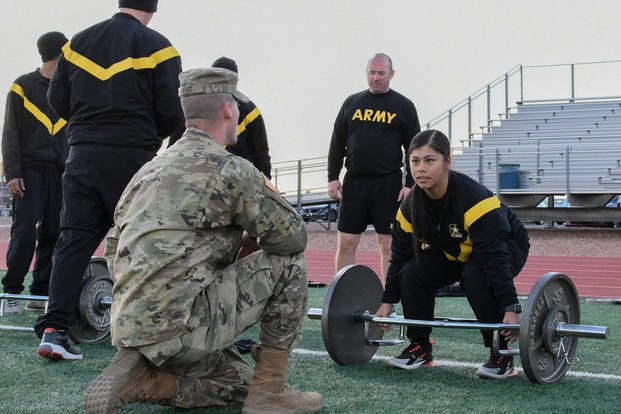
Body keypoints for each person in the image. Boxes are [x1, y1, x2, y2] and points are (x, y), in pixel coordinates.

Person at [82, 68, 323, 413]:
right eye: (236, 108)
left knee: (236, 383)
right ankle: (270, 392)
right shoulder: (231, 169)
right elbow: (292, 236)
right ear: (227, 110)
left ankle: (150, 381)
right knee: (290, 263)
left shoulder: (146, 172)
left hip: (130, 327)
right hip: (184, 329)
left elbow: (113, 249)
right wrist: (248, 243)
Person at [35, 0, 184, 360]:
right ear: (153, 8)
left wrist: (87, 127)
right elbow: (171, 111)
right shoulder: (160, 47)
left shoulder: (77, 44)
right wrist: (152, 138)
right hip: (133, 156)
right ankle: (145, 336)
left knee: (72, 243)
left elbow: (57, 98)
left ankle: (54, 330)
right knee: (144, 243)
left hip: (82, 154)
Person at [375, 129, 530, 379]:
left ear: (448, 162)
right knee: (411, 273)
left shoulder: (475, 200)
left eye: (429, 160)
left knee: (476, 277)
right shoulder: (410, 207)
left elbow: (495, 259)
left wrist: (510, 308)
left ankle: (501, 353)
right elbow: (400, 256)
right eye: (415, 161)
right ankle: (420, 347)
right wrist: (387, 302)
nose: (421, 169)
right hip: (455, 248)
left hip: (506, 245)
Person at [327, 52, 420, 285]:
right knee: (347, 241)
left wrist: (411, 184)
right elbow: (337, 141)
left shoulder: (404, 106)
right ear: (366, 73)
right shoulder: (352, 102)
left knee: (387, 243)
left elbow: (414, 148)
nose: (375, 77)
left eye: (381, 73)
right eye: (371, 72)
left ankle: (388, 298)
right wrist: (332, 176)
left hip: (387, 184)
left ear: (391, 74)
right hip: (355, 182)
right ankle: (343, 293)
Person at [1, 32, 68, 313]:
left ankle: (39, 293)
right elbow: (10, 132)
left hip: (61, 172)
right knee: (25, 232)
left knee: (54, 231)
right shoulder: (22, 86)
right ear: (60, 53)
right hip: (28, 172)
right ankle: (12, 291)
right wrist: (13, 171)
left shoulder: (71, 90)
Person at [211, 56, 272, 178]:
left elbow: (261, 155)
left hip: (202, 182)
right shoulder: (250, 110)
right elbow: (261, 155)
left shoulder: (195, 104)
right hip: (236, 183)